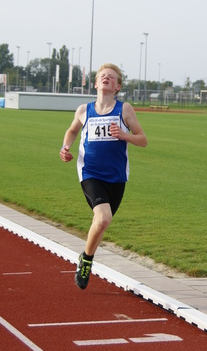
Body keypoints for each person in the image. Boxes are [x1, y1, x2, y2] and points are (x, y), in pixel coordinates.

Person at [59, 63, 147, 290]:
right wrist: (66, 147)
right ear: (96, 83)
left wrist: (125, 135)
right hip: (90, 173)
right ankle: (87, 260)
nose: (106, 78)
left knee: (101, 223)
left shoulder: (124, 109)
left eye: (111, 77)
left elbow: (143, 139)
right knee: (104, 218)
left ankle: (86, 255)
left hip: (116, 177)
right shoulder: (83, 110)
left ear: (117, 86)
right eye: (102, 76)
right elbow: (72, 131)